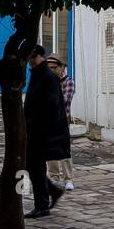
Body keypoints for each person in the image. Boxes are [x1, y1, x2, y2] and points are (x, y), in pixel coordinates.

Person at [23, 46, 69, 219]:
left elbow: (52, 106)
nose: (31, 61)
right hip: (33, 130)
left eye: (34, 58)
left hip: (41, 131)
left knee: (35, 166)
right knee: (33, 166)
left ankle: (42, 204)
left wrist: (38, 124)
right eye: (30, 58)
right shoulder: (37, 75)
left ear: (41, 57)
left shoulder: (48, 77)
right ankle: (52, 192)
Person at [46, 56, 76, 190]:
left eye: (54, 68)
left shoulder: (68, 82)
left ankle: (68, 179)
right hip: (49, 120)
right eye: (49, 68)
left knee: (64, 150)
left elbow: (63, 101)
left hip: (63, 120)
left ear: (61, 68)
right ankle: (54, 177)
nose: (51, 70)